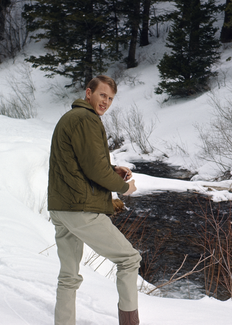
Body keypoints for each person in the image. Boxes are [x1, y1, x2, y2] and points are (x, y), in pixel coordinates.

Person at [48, 75, 141, 325]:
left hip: (61, 207)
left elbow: (85, 163)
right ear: (88, 93)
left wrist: (113, 170)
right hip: (80, 208)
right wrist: (123, 187)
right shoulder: (86, 119)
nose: (106, 102)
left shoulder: (73, 118)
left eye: (110, 98)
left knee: (68, 276)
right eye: (102, 95)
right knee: (130, 259)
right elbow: (94, 170)